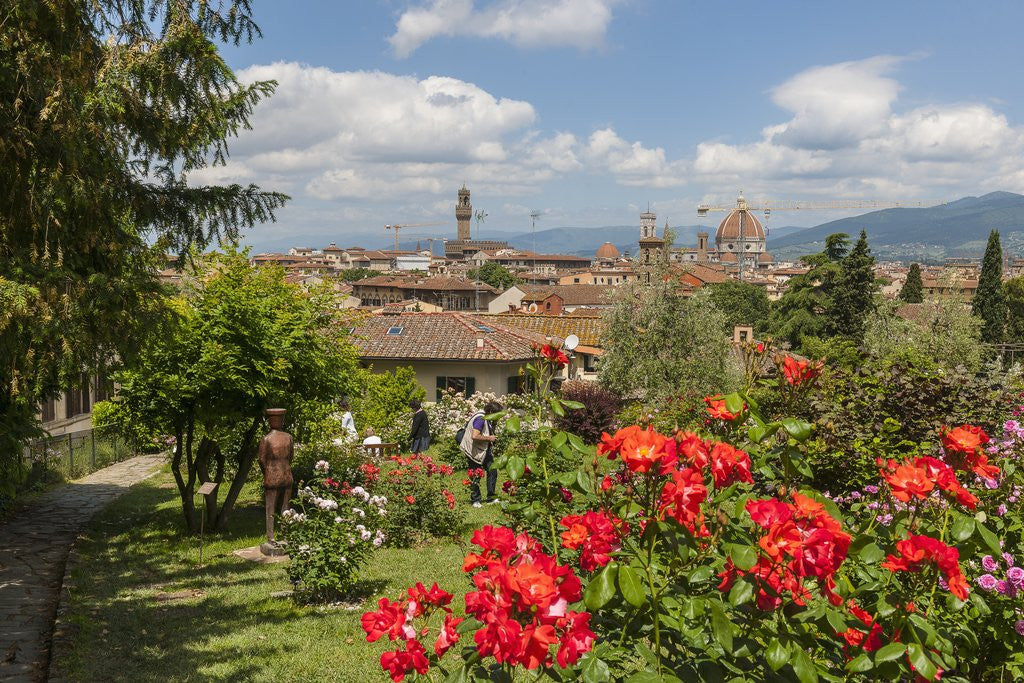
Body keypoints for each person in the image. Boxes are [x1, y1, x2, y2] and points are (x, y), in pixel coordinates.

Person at [459, 400, 502, 508]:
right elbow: (474, 435)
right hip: (474, 451)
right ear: (491, 411)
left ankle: (490, 498)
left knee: (492, 471)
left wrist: (494, 424)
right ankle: (475, 500)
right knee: (475, 474)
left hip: (483, 450)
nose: (498, 416)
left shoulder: (486, 418)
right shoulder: (480, 419)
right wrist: (489, 438)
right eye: (497, 414)